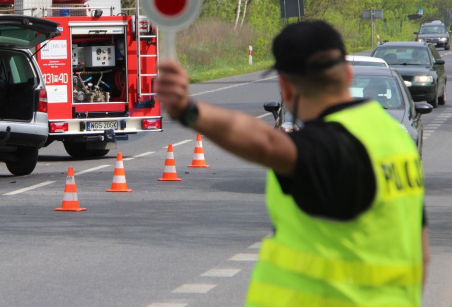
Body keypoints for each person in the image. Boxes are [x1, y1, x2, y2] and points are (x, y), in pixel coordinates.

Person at [156, 21, 428, 306]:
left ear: (285, 88)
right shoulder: (397, 143)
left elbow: (267, 143)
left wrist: (189, 110)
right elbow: (421, 251)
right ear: (347, 75)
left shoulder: (332, 146)